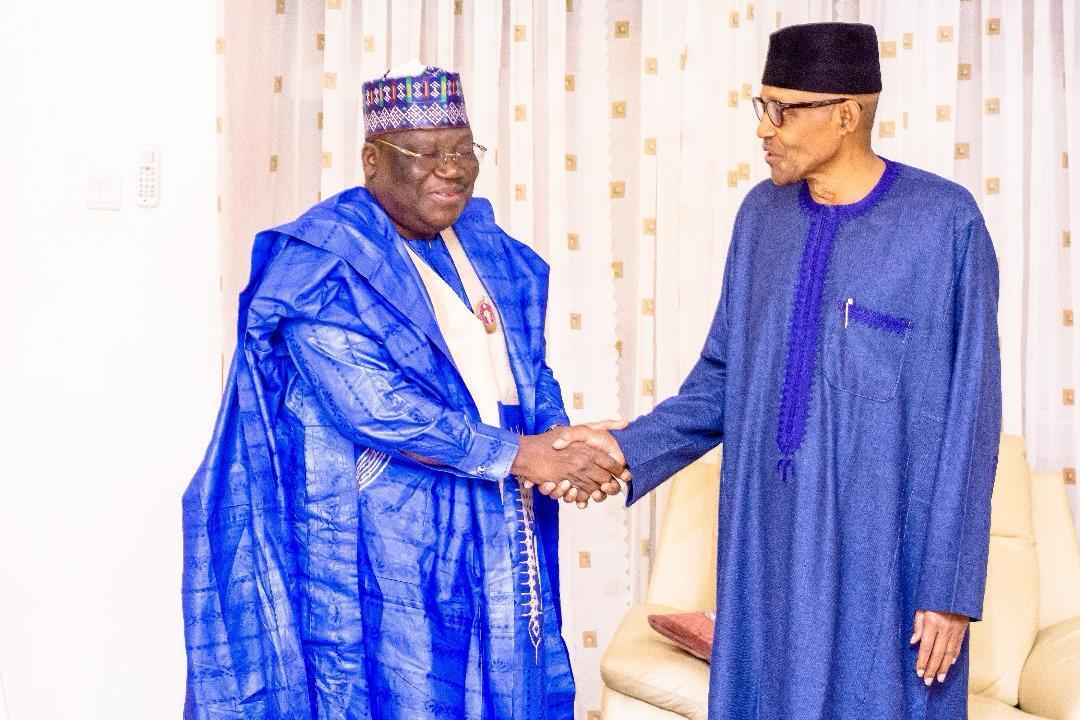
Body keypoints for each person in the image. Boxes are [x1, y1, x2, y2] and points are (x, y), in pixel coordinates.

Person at [547, 22, 1001, 720]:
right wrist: (621, 448)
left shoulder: (945, 224)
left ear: (846, 115)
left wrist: (951, 588)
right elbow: (721, 380)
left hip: (888, 555)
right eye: (762, 106)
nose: (764, 129)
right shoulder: (761, 216)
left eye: (782, 110)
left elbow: (972, 413)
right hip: (767, 541)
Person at [181, 61, 624, 720]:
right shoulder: (325, 259)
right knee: (408, 692)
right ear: (372, 159)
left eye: (463, 150)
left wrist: (560, 444)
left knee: (506, 685)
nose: (453, 169)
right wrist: (524, 455)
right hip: (387, 535)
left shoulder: (483, 244)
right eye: (426, 154)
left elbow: (525, 366)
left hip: (500, 514)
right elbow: (375, 406)